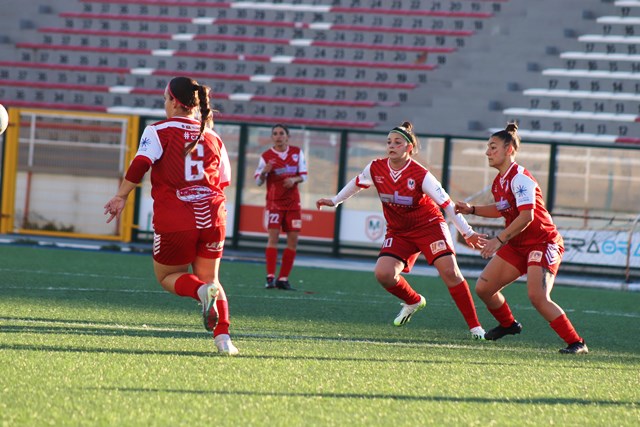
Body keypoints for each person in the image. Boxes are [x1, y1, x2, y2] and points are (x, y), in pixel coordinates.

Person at [103, 76, 239, 356]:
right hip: (214, 217)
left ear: (175, 102)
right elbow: (224, 180)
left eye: (165, 99)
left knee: (168, 276)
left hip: (177, 217)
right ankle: (224, 340)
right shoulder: (213, 135)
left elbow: (141, 163)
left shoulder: (159, 130)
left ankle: (199, 293)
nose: (164, 105)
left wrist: (121, 195)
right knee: (211, 279)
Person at [316, 121, 487, 339]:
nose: (391, 145)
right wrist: (335, 200)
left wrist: (467, 232)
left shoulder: (420, 174)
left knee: (451, 273)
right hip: (399, 232)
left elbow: (446, 204)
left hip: (429, 227)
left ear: (409, 148)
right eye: (389, 142)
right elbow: (357, 182)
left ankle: (475, 328)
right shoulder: (376, 167)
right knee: (384, 274)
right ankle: (413, 301)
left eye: (397, 142)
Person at [455, 123, 588, 354]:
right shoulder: (500, 181)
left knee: (537, 296)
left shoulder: (520, 178)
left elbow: (527, 216)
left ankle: (577, 342)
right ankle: (508, 325)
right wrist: (472, 209)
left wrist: (499, 240)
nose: (488, 152)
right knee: (484, 288)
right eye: (487, 147)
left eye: (493, 147)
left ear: (509, 150)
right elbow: (501, 208)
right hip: (518, 244)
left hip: (542, 242)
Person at [254, 124, 308, 290]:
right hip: (275, 203)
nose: (278, 136)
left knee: (293, 241)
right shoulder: (266, 157)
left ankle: (283, 279)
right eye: (275, 134)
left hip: (293, 204)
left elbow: (304, 175)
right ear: (272, 137)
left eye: (281, 133)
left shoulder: (297, 153)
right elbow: (258, 181)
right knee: (274, 238)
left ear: (287, 136)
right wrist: (265, 172)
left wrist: (294, 180)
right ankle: (270, 277)